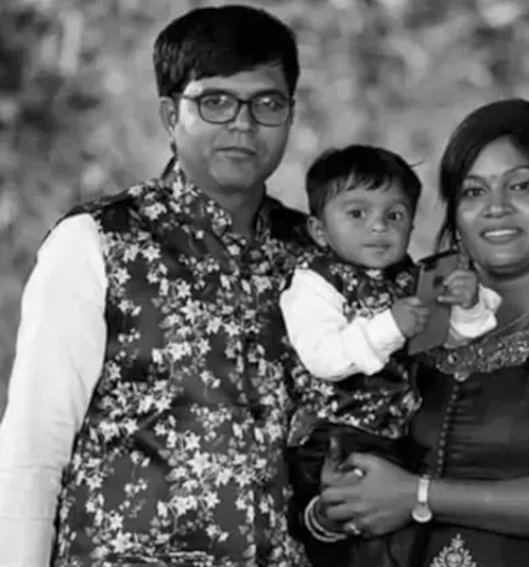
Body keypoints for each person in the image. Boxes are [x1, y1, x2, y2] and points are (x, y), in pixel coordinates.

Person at [0, 5, 312, 565]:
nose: (243, 124)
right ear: (171, 114)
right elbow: (33, 451)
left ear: (290, 114)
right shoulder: (98, 242)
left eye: (267, 103)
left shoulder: (314, 257)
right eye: (215, 102)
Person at [310, 98, 529, 567]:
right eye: (473, 192)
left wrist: (418, 495)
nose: (496, 208)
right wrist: (330, 510)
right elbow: (330, 434)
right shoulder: (408, 302)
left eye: (521, 186)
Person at [281, 144, 501, 567]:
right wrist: (391, 327)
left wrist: (468, 305)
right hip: (334, 435)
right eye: (357, 213)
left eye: (395, 215)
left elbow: (449, 341)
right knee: (353, 539)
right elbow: (324, 358)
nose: (379, 226)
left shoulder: (410, 279)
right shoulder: (315, 283)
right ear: (319, 230)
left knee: (402, 536)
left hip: (396, 436)